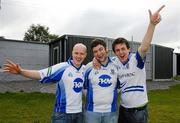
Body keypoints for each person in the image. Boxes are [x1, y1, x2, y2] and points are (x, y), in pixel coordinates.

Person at [92, 5, 165, 123]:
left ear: (128, 49)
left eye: (123, 49)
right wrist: (95, 59)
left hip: (139, 112)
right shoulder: (115, 62)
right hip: (123, 110)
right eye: (117, 50)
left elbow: (144, 46)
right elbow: (102, 57)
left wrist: (152, 25)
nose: (121, 52)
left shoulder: (136, 60)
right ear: (115, 52)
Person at [3, 43, 87, 123]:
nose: (79, 56)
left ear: (85, 55)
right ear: (72, 53)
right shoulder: (62, 67)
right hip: (62, 114)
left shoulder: (85, 69)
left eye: (82, 54)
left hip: (80, 113)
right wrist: (21, 71)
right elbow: (40, 74)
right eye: (76, 53)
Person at [84, 38, 119, 123]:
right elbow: (84, 88)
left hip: (111, 111)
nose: (99, 53)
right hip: (92, 112)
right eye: (95, 51)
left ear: (106, 49)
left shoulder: (116, 65)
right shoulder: (88, 67)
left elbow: (118, 87)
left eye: (101, 49)